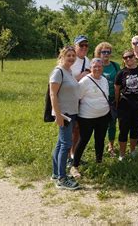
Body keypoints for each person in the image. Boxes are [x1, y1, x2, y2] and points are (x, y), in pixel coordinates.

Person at [70, 58, 110, 178]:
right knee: (83, 141)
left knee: (100, 140)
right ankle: (74, 166)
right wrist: (76, 118)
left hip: (103, 116)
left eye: (99, 66)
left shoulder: (104, 80)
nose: (97, 68)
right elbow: (77, 98)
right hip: (87, 117)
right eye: (94, 67)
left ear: (102, 68)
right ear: (90, 68)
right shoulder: (84, 81)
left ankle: (99, 162)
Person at [49, 46, 80, 190]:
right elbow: (53, 94)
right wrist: (58, 114)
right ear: (62, 56)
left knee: (60, 143)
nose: (72, 58)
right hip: (64, 114)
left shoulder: (69, 71)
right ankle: (62, 178)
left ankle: (56, 173)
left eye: (73, 55)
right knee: (66, 145)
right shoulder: (58, 72)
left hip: (71, 112)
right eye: (69, 55)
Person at [114, 49, 138, 160]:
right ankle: (122, 154)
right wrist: (117, 104)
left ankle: (132, 150)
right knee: (123, 129)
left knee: (135, 128)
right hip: (124, 105)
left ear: (135, 57)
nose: (128, 59)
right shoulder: (121, 73)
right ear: (123, 60)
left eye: (130, 56)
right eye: (125, 57)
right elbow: (117, 89)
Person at [94, 42, 121, 157]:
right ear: (98, 53)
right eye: (103, 52)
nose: (106, 54)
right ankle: (98, 147)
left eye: (108, 52)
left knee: (112, 124)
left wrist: (118, 99)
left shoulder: (115, 66)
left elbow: (120, 83)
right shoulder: (96, 66)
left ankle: (111, 146)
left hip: (113, 99)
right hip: (99, 100)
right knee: (99, 125)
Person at [69, 35, 91, 165]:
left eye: (86, 45)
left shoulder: (87, 60)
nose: (83, 48)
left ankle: (74, 155)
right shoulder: (70, 59)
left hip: (82, 99)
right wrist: (79, 77)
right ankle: (67, 158)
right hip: (69, 99)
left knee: (78, 128)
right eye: (81, 45)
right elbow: (63, 80)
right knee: (69, 129)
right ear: (75, 46)